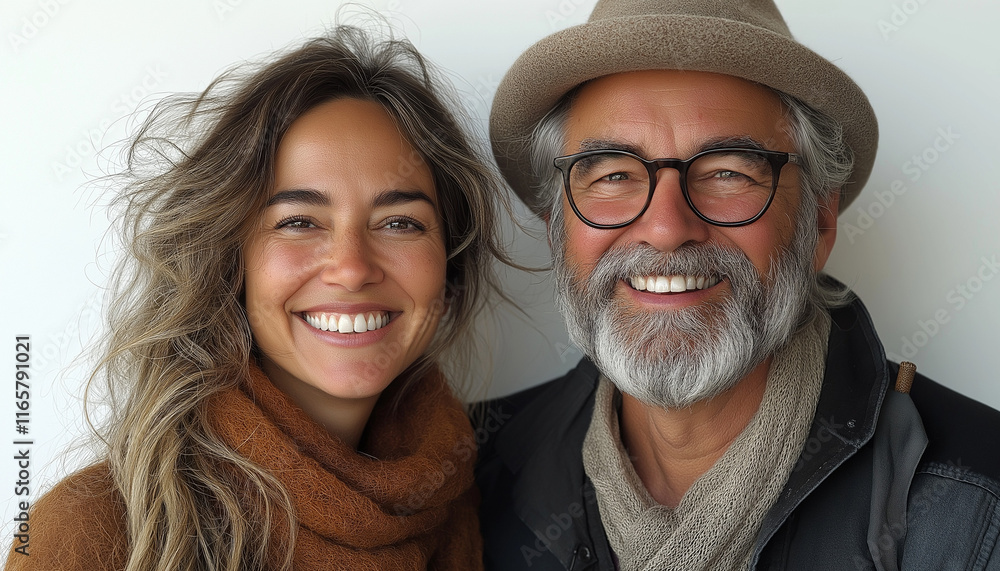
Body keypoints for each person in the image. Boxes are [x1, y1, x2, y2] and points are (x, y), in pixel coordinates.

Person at [476, 1, 1000, 570]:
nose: (667, 229)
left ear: (818, 224)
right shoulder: (470, 477)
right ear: (557, 232)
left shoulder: (979, 500)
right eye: (614, 175)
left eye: (728, 172)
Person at [7, 24, 508, 571]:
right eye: (298, 221)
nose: (351, 268)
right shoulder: (88, 532)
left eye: (398, 222)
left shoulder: (479, 496)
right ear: (230, 260)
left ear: (448, 265)